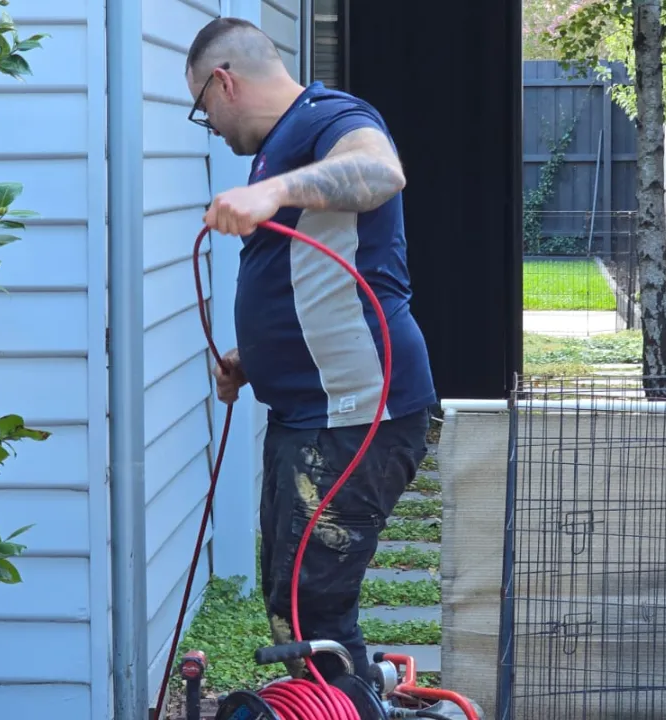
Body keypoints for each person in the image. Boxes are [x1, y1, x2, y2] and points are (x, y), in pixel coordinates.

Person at [185, 17, 438, 684]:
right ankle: (340, 699)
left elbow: (380, 171)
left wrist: (272, 190)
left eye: (200, 105)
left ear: (223, 81)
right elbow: (312, 280)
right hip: (311, 413)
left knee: (313, 612)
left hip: (359, 414)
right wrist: (255, 354)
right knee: (293, 602)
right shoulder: (279, 144)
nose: (206, 122)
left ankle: (344, 703)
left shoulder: (329, 117)